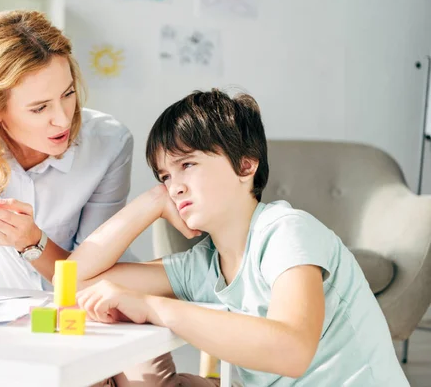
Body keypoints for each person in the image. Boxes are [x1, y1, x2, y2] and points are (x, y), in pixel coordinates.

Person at [57, 89, 409, 386]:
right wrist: (149, 203)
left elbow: (292, 351)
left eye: (187, 165)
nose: (174, 186)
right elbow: (73, 283)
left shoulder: (287, 231)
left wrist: (154, 307)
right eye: (164, 176)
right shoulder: (202, 265)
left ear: (245, 165)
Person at [0, 10, 135, 290]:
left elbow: (89, 280)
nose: (63, 118)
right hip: (16, 322)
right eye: (40, 107)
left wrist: (32, 242)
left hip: (94, 314)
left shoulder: (110, 144)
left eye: (68, 94)